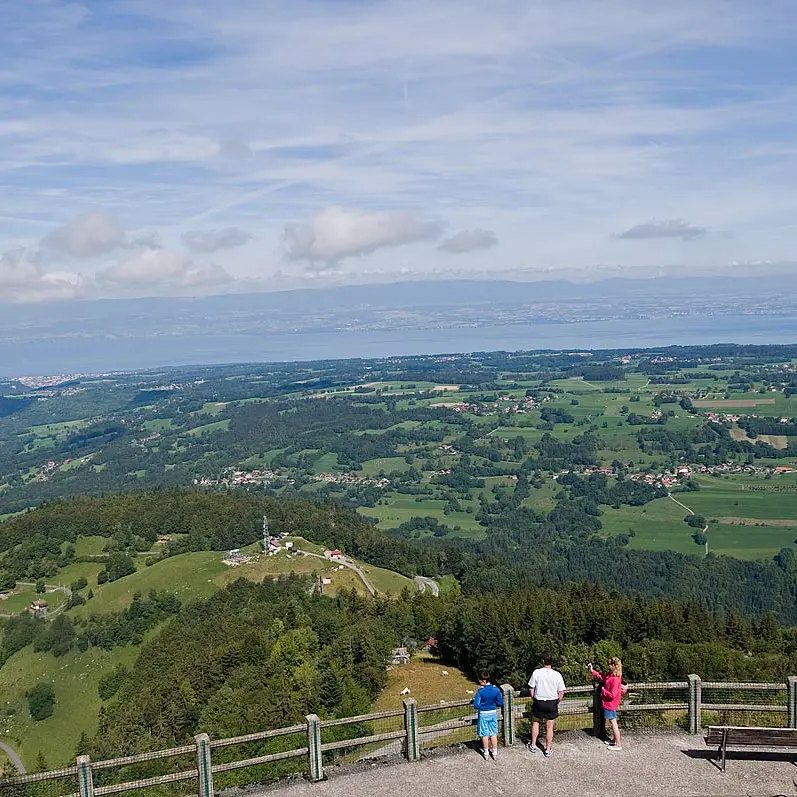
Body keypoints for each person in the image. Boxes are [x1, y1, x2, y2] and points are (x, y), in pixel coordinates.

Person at [527, 652, 566, 758]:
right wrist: (557, 701)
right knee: (550, 727)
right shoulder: (557, 674)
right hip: (552, 702)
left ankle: (533, 744)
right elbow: (561, 691)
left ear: (543, 661)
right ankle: (548, 749)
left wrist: (533, 697)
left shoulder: (537, 672)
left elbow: (531, 687)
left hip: (539, 700)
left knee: (536, 722)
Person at [589, 657, 627, 750]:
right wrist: (592, 671)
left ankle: (618, 744)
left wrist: (603, 691)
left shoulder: (614, 678)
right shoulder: (612, 675)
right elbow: (602, 676)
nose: (608, 666)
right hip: (610, 703)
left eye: (610, 665)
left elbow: (613, 695)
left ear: (614, 665)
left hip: (611, 703)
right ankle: (614, 740)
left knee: (613, 722)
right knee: (612, 722)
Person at [473, 671, 504, 760]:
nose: (479, 682)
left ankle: (486, 752)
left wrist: (482, 706)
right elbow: (500, 702)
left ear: (484, 681)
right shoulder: (496, 689)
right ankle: (495, 752)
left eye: (480, 680)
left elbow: (476, 705)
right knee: (493, 733)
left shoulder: (480, 691)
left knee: (484, 733)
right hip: (492, 712)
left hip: (483, 713)